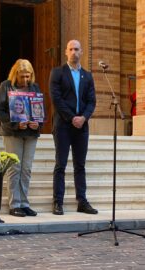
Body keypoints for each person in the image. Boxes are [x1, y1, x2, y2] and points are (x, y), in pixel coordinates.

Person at [49, 40, 98, 215]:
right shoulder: (57, 73)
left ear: (81, 52)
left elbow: (92, 101)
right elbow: (56, 99)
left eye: (77, 49)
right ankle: (58, 202)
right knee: (60, 165)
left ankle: (82, 201)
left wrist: (83, 117)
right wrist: (72, 118)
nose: (74, 52)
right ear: (65, 52)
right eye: (70, 49)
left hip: (82, 127)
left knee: (80, 166)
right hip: (63, 125)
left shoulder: (88, 76)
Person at [0, 59, 41, 217]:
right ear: (16, 74)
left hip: (30, 134)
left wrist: (37, 124)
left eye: (28, 76)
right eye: (22, 77)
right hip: (13, 133)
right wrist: (15, 124)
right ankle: (14, 204)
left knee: (26, 169)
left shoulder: (34, 87)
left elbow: (40, 111)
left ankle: (24, 203)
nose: (25, 80)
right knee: (15, 168)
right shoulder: (6, 86)